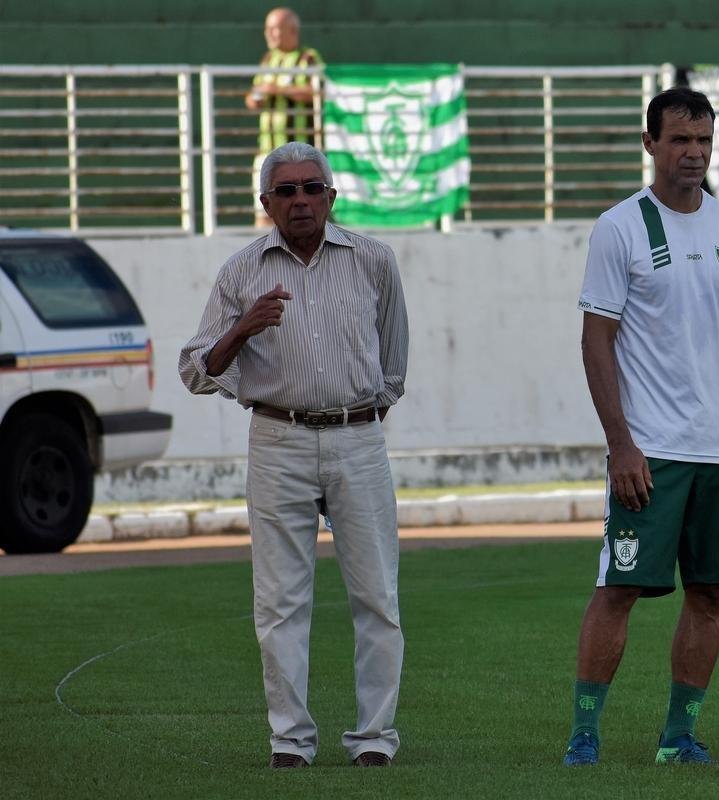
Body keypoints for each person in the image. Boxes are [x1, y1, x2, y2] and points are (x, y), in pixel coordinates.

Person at [563, 87, 719, 767]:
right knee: (619, 589)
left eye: (703, 141)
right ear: (650, 144)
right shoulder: (620, 227)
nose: (693, 153)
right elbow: (595, 341)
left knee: (711, 592)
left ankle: (678, 737)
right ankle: (583, 736)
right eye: (679, 140)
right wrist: (620, 444)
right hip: (651, 451)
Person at [179, 141, 409, 769]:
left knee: (377, 596)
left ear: (332, 197)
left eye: (313, 188)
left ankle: (374, 740)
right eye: (287, 191)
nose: (302, 199)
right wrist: (243, 327)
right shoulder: (242, 271)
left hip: (358, 438)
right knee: (280, 601)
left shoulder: (373, 261)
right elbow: (196, 372)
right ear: (266, 204)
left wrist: (361, 413)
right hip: (276, 437)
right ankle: (290, 740)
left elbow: (394, 361)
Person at [246, 8, 323, 227]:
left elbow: (317, 91)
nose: (269, 34)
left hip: (300, 155)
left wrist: (278, 90)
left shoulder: (307, 58)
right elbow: (254, 94)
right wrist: (255, 98)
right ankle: (266, 258)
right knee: (264, 213)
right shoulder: (269, 59)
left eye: (275, 29)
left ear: (291, 30)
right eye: (267, 29)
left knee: (303, 212)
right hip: (267, 151)